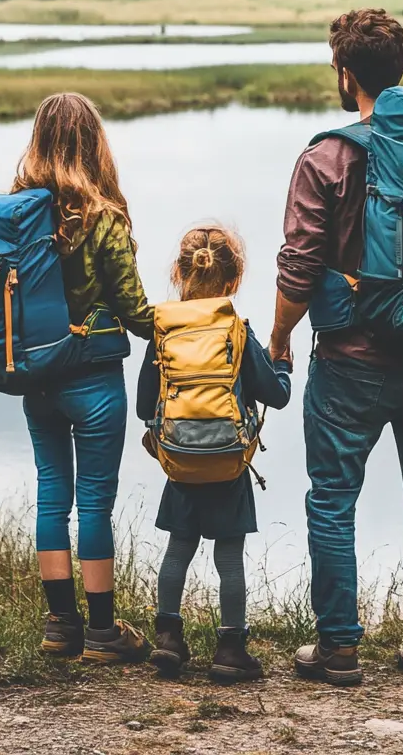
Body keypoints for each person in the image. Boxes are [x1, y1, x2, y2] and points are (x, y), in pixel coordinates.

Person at [270, 9, 403, 686]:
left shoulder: (327, 155)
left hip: (351, 361)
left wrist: (277, 338)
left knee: (331, 500)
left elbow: (299, 268)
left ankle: (339, 648)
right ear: (400, 69)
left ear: (345, 73)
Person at [13, 93, 154, 664]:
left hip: (37, 380)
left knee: (53, 495)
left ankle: (59, 627)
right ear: (96, 144)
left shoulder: (19, 214)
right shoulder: (104, 219)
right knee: (95, 503)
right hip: (93, 381)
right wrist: (186, 322)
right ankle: (102, 632)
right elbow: (134, 307)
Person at [136, 226, 292, 681]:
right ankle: (230, 649)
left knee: (178, 548)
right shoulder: (237, 331)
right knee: (229, 556)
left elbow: (147, 406)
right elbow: (276, 396)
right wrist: (281, 363)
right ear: (233, 282)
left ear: (179, 273)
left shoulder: (162, 331)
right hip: (227, 464)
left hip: (180, 462)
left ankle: (168, 639)